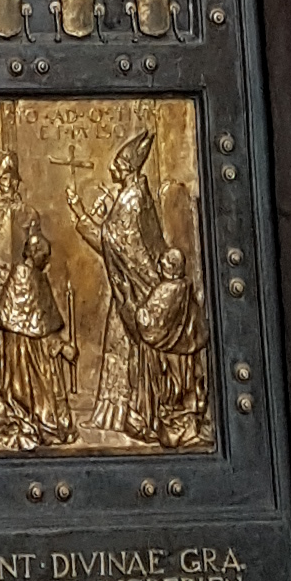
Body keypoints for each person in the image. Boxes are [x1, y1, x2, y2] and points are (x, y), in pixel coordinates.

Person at [78, 130, 208, 447]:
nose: (114, 170)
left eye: (119, 164)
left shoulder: (132, 198)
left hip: (140, 291)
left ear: (130, 168)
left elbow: (123, 242)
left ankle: (147, 416)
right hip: (139, 288)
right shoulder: (136, 196)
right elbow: (132, 239)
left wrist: (87, 221)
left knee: (145, 357)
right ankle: (134, 414)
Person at [0, 151, 75, 450]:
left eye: (12, 178)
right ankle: (1, 401)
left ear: (18, 182)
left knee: (24, 350)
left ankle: (27, 406)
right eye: (3, 178)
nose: (7, 183)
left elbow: (37, 248)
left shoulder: (28, 213)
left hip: (25, 284)